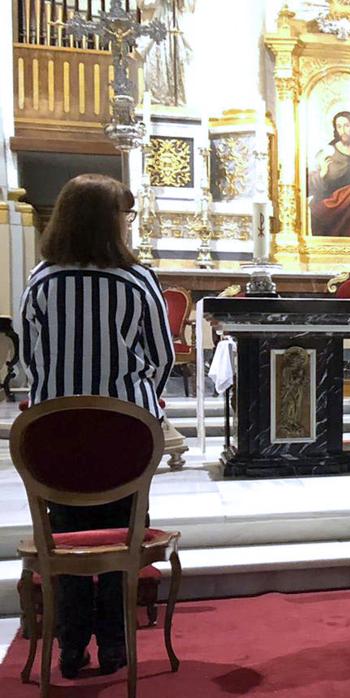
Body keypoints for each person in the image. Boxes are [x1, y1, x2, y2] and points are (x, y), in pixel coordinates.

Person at [20, 173, 175, 678]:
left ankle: (68, 647)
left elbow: (28, 359)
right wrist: (132, 395)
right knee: (121, 537)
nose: (128, 226)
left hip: (55, 432)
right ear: (109, 224)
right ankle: (114, 644)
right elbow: (161, 356)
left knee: (63, 535)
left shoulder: (42, 279)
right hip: (124, 433)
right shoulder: (137, 280)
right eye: (124, 217)